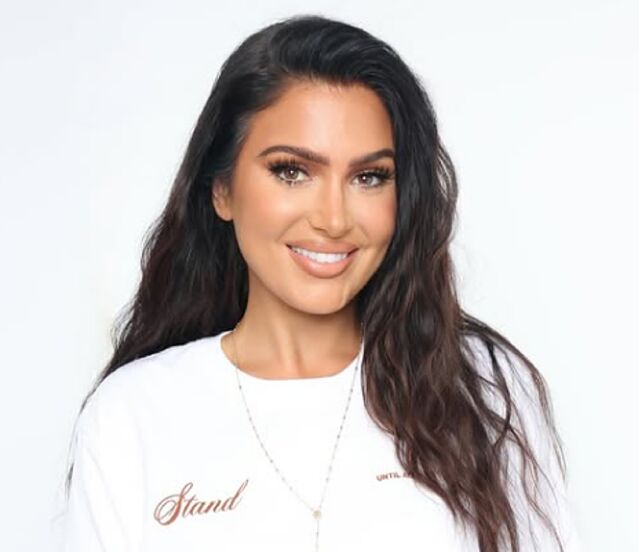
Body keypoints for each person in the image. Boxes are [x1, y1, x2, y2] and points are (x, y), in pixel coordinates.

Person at [58, 14, 582, 552]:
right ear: (222, 190)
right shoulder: (131, 416)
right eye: (291, 171)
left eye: (369, 177)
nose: (333, 219)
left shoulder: (483, 390)